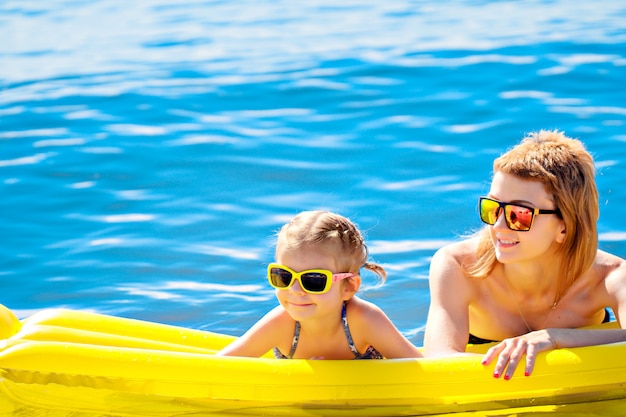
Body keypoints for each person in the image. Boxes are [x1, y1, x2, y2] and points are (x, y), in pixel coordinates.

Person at [423, 130, 626, 379]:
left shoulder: (611, 276)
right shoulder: (458, 266)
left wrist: (558, 337)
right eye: (493, 208)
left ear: (565, 226)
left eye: (519, 215)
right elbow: (438, 361)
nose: (497, 226)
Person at [217, 210, 422, 359]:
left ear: (349, 286)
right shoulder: (281, 323)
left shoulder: (364, 320)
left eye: (313, 280)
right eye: (283, 276)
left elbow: (423, 373)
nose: (295, 291)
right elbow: (220, 368)